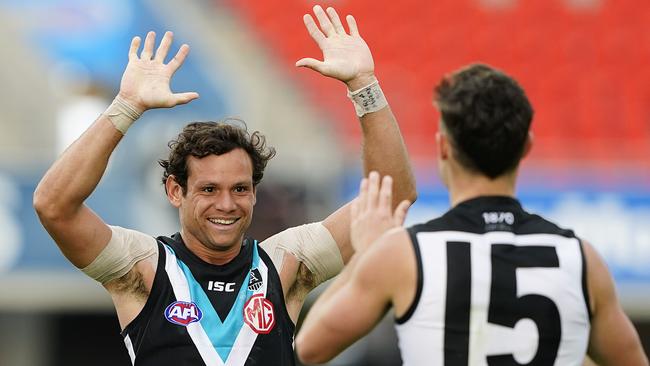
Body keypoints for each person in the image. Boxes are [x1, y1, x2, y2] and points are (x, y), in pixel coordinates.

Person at [33, 5, 416, 366]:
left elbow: (393, 196)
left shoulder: (284, 264)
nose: (227, 204)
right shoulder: (143, 268)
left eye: (240, 189)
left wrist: (364, 85)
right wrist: (127, 106)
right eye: (209, 189)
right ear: (174, 191)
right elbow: (54, 206)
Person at [296, 64, 649, 365]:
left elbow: (310, 348)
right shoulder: (581, 260)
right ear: (527, 146)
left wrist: (367, 253)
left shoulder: (403, 254)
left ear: (443, 147)